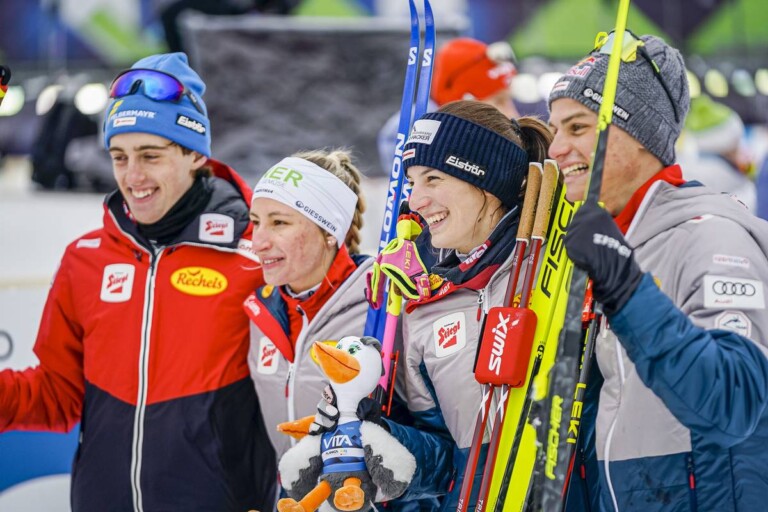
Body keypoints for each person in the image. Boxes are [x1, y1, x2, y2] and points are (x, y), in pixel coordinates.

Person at [0, 52, 277, 511]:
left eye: (151, 155)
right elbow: (57, 396)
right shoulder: (85, 260)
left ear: (194, 154)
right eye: (119, 156)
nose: (133, 176)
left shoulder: (257, 255)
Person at [547, 32, 768, 511]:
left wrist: (625, 287)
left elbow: (735, 400)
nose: (556, 149)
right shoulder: (612, 239)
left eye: (578, 128)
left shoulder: (711, 236)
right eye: (555, 130)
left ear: (636, 134)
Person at [371, 100, 552, 510]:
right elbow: (445, 457)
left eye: (433, 178)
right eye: (413, 181)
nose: (415, 200)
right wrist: (381, 442)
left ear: (487, 180)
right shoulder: (424, 307)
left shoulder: (556, 269)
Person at [244, 148, 372, 460]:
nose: (258, 240)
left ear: (329, 232)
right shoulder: (262, 313)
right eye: (256, 221)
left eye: (279, 223)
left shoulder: (378, 305)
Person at [377, 37, 520, 175]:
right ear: (465, 102)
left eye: (510, 101)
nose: (513, 115)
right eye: (498, 102)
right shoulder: (417, 126)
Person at [680, 94, 756, 210]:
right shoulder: (715, 173)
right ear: (725, 146)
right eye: (736, 143)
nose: (741, 148)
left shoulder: (695, 163)